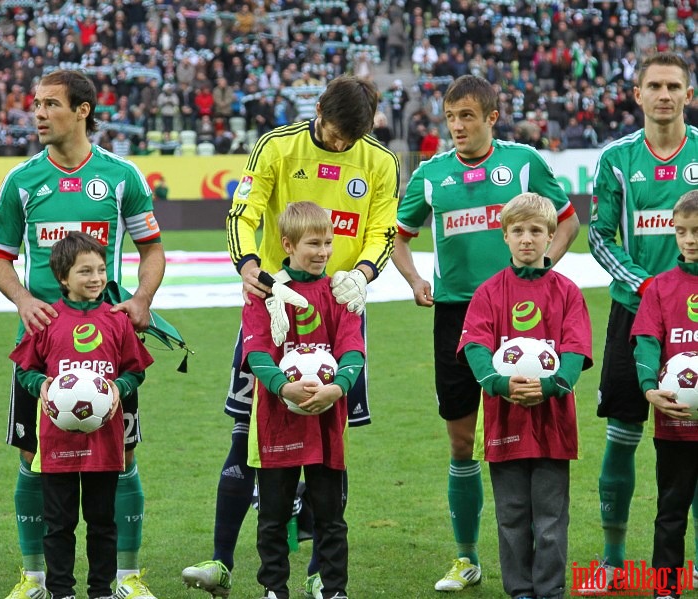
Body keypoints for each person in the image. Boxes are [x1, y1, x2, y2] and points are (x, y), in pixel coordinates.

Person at [182, 74, 399, 599]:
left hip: (340, 309)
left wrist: (362, 275)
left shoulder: (380, 163)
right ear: (318, 108)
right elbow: (245, 208)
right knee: (246, 437)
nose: (343, 145)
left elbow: (383, 228)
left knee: (331, 447)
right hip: (274, 309)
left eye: (353, 138)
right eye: (336, 133)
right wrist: (250, 264)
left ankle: (322, 576)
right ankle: (222, 562)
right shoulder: (277, 146)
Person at [390, 74, 580, 592]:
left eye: (467, 116)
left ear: (492, 118)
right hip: (455, 315)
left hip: (520, 314)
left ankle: (538, 556)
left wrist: (543, 273)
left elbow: (567, 221)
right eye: (451, 117)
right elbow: (398, 239)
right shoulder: (430, 174)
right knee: (459, 439)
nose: (457, 126)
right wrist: (413, 279)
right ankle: (466, 557)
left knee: (531, 423)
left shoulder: (523, 163)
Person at [0, 69, 165, 599]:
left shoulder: (120, 178)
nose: (38, 114)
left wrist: (139, 301)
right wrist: (24, 300)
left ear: (83, 110)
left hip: (107, 346)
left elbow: (151, 250)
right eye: (35, 105)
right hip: (43, 350)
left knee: (124, 457)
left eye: (50, 105)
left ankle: (126, 576)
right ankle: (35, 576)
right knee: (32, 457)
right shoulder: (22, 182)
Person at [585, 52, 698, 593]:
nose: (664, 94)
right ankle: (612, 559)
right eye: (654, 85)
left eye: (674, 85)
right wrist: (647, 287)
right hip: (636, 317)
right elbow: (599, 236)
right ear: (637, 94)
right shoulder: (615, 159)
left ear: (688, 95)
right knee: (624, 432)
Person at [458, 193, 592, 599]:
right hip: (506, 419)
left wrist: (552, 386)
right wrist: (499, 384)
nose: (527, 239)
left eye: (536, 231)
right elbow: (476, 348)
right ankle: (520, 590)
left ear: (551, 235)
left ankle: (549, 590)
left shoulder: (567, 291)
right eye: (518, 231)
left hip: (553, 422)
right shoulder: (488, 292)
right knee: (512, 514)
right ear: (505, 236)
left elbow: (575, 350)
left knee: (551, 518)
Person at [9, 232, 154, 599]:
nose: (96, 278)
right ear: (63, 277)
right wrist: (40, 383)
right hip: (57, 441)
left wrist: (117, 389)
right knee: (59, 522)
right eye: (85, 271)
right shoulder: (46, 319)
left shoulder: (117, 320)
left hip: (104, 442)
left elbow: (136, 370)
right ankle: (61, 591)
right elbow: (25, 370)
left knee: (102, 521)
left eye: (101, 269)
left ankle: (100, 590)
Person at [243, 202, 365, 599]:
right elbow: (257, 351)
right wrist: (282, 386)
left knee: (331, 515)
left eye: (328, 243)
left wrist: (338, 387)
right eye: (313, 243)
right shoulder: (265, 293)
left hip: (327, 418)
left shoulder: (340, 292)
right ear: (287, 244)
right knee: (274, 516)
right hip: (278, 419)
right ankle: (274, 588)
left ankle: (335, 590)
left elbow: (352, 350)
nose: (323, 252)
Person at [631, 191, 698, 599]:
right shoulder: (660, 288)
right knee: (670, 512)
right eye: (682, 232)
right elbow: (646, 341)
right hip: (675, 424)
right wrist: (648, 389)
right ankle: (665, 589)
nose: (690, 240)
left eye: (697, 232)